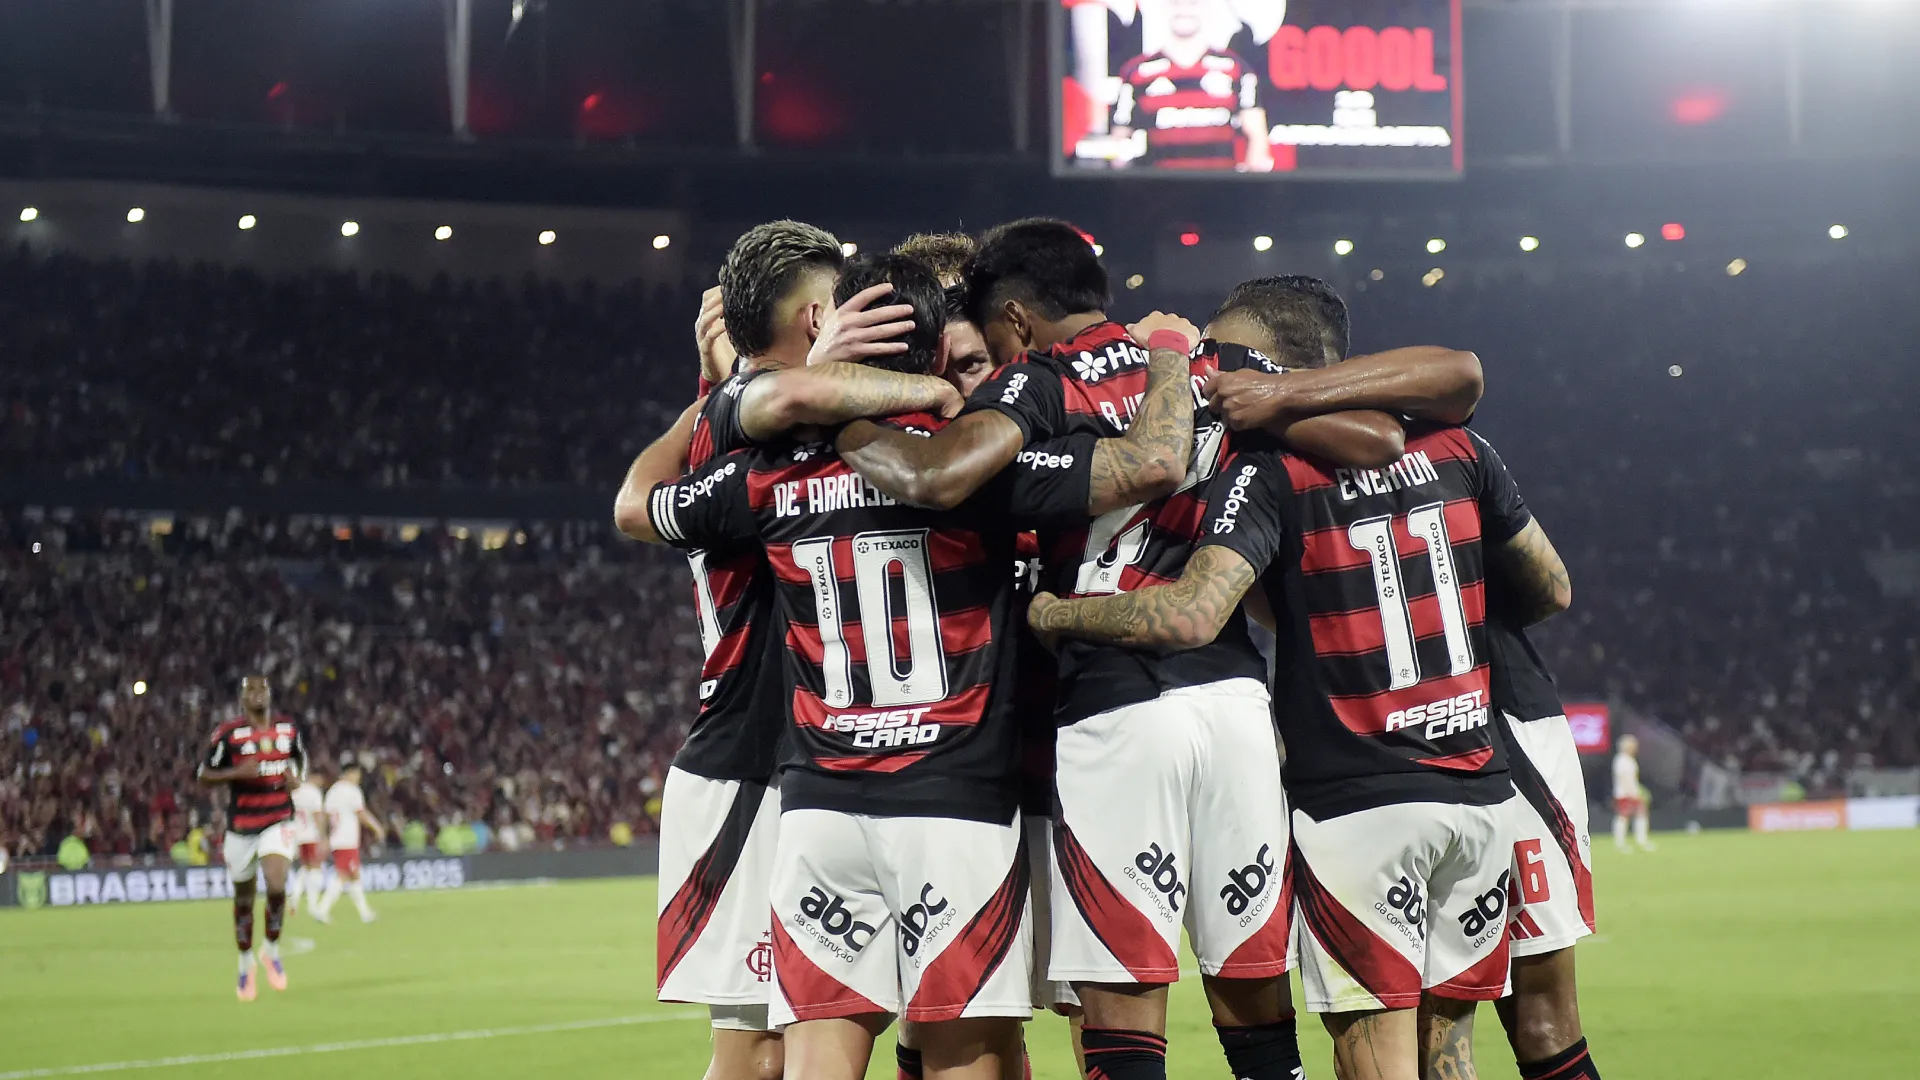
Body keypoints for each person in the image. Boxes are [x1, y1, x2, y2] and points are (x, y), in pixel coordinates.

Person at [1026, 276, 1550, 1080]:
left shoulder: (1271, 468)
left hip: (1359, 798)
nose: (1212, 366)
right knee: (1452, 1056)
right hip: (1476, 786)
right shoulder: (1451, 448)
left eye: (1225, 353)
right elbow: (1551, 586)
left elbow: (1195, 613)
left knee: (1369, 1054)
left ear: (1262, 365)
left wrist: (1055, 614)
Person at [640, 254, 1085, 1080]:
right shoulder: (971, 468)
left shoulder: (765, 474)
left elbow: (640, 503)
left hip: (821, 811)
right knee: (970, 1055)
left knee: (811, 1063)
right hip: (951, 803)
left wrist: (752, 395)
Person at [613, 221, 968, 1080]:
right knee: (761, 1056)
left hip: (823, 761)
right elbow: (634, 504)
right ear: (820, 320)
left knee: (890, 1026)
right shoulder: (750, 411)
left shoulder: (761, 413)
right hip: (750, 764)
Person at [1488, 615, 1609, 1080]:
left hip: (1501, 716)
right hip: (1374, 739)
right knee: (1416, 1025)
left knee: (1540, 1024)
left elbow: (1554, 592)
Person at [196, 675, 307, 1001]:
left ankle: (270, 949)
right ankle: (246, 961)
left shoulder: (288, 729)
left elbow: (300, 760)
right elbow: (202, 774)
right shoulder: (227, 734)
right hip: (242, 827)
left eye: (262, 689)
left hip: (278, 819)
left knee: (276, 885)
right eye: (251, 690)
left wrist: (295, 780)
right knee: (243, 899)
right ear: (243, 698)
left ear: (270, 694)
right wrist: (235, 773)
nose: (257, 694)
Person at [1111, 0, 1274, 171]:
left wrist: (1248, 190)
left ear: (1207, 8)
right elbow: (1119, 142)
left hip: (1221, 191)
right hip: (1157, 192)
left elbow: (1257, 138)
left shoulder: (1236, 69)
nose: (1184, 10)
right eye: (1176, 3)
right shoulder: (1136, 73)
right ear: (1163, 8)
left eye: (1194, 3)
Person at [314, 762, 384, 924]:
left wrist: (324, 837)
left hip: (337, 839)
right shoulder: (351, 791)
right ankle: (322, 909)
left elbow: (325, 817)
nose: (358, 779)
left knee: (354, 876)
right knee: (344, 876)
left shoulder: (332, 792)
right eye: (357, 775)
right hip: (347, 840)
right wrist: (376, 827)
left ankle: (365, 913)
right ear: (350, 774)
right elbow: (361, 813)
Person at [289, 771, 328, 917]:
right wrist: (323, 837)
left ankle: (294, 899)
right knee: (316, 869)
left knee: (305, 868)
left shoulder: (295, 792)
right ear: (316, 777)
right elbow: (317, 815)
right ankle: (313, 906)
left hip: (298, 836)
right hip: (311, 836)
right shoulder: (313, 792)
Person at [1612, 735, 1654, 853]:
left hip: (1632, 792)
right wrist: (1631, 792)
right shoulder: (1621, 760)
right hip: (1624, 793)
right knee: (1623, 817)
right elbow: (1623, 778)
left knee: (1641, 814)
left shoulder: (1630, 760)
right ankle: (1620, 842)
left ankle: (1641, 839)